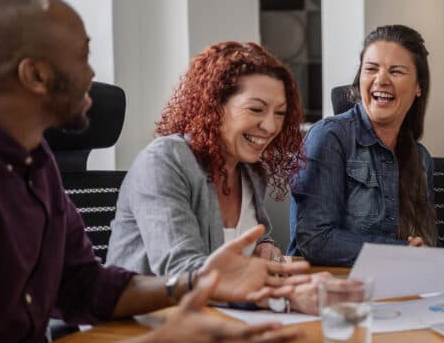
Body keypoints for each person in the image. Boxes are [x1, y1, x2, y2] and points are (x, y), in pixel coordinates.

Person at [0, 0, 313, 343]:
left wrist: (193, 284)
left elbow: (86, 288)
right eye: (82, 55)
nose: (93, 73)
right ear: (34, 74)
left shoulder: (34, 163)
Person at [107, 42, 323, 313]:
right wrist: (282, 296)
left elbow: (256, 238)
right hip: (147, 327)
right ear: (214, 106)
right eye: (256, 109)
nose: (270, 126)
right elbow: (181, 270)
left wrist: (266, 250)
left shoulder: (251, 169)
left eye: (279, 113)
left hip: (222, 321)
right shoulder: (164, 161)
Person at [289, 25, 436, 266]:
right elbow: (315, 239)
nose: (381, 80)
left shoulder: (420, 158)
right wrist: (399, 252)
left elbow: (424, 244)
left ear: (419, 86)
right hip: (330, 291)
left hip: (394, 287)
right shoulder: (329, 137)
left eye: (396, 71)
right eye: (371, 69)